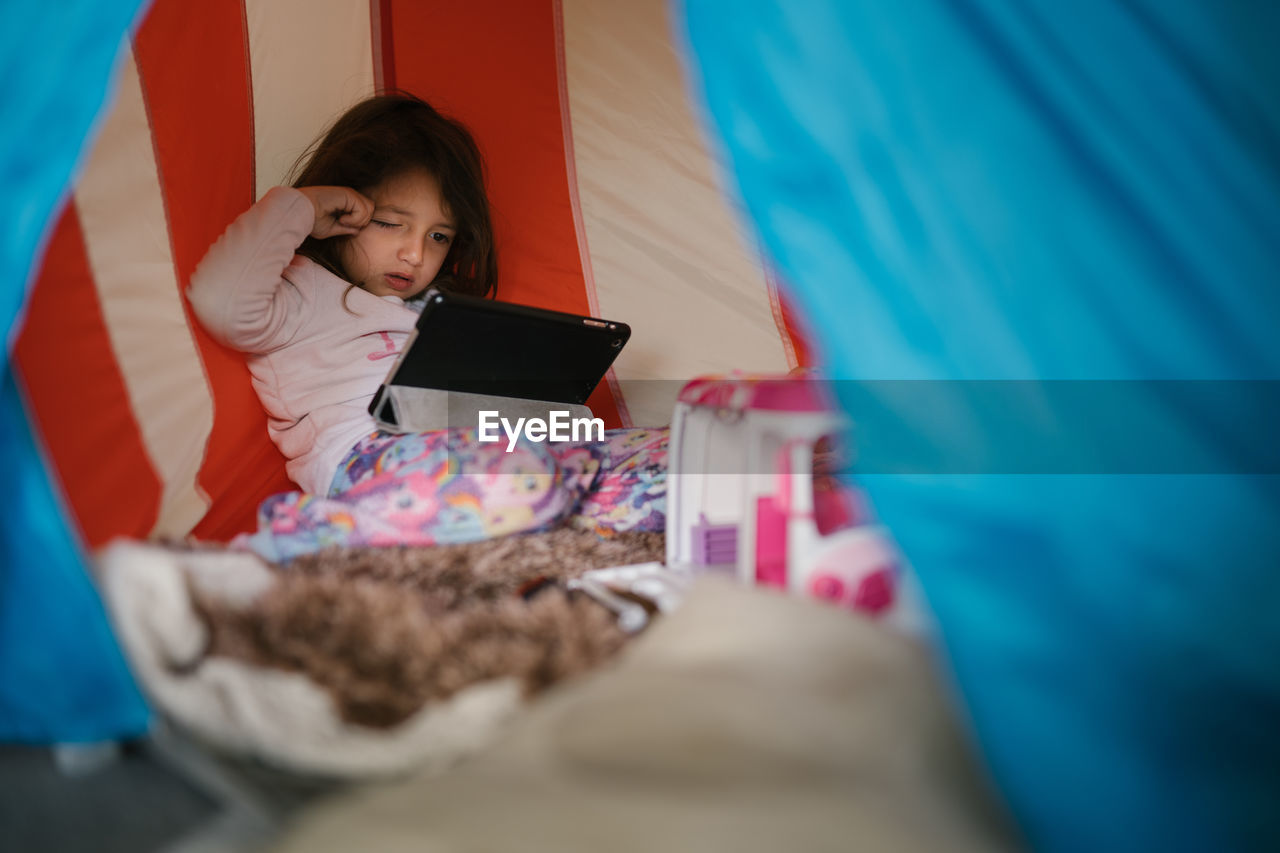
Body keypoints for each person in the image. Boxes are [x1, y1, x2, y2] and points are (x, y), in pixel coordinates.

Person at [188, 93, 665, 559]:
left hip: (489, 451)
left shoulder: (438, 312)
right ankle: (304, 541)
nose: (415, 254)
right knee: (526, 481)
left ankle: (569, 501)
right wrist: (304, 209)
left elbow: (492, 411)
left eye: (438, 236)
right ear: (341, 211)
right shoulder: (299, 289)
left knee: (675, 461)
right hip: (375, 459)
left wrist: (567, 427)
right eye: (391, 224)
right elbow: (220, 301)